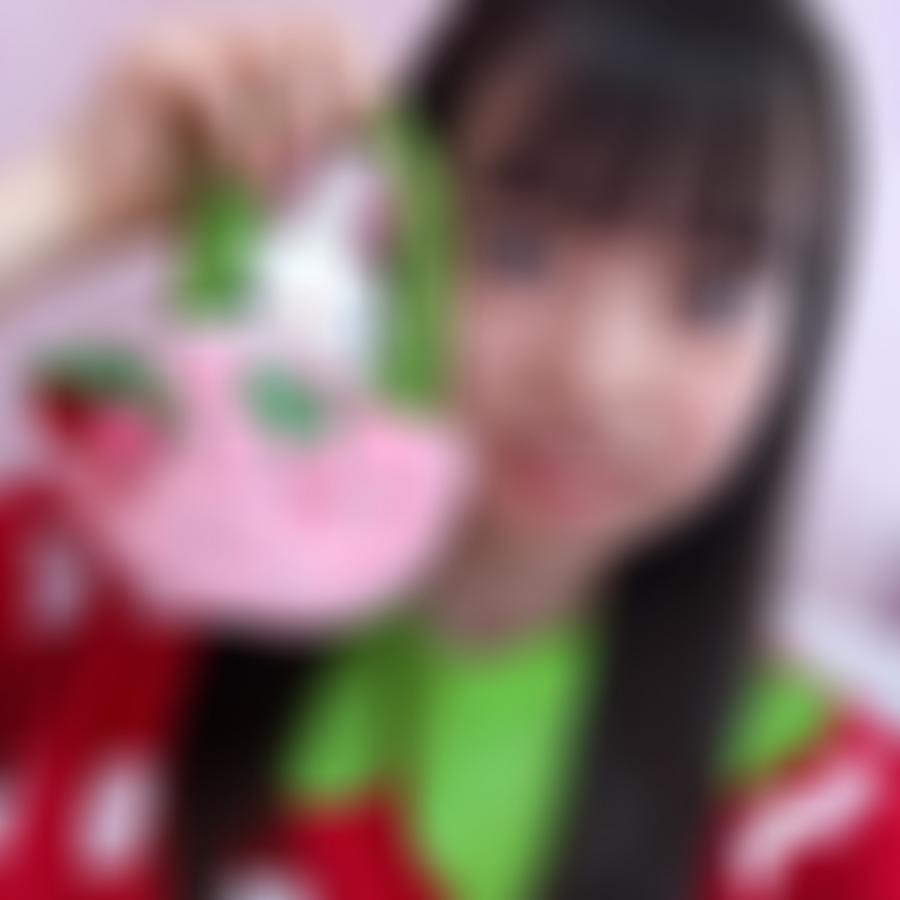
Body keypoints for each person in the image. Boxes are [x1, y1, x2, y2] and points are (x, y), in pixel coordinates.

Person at [1, 1, 898, 899]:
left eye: (711, 296)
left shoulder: (835, 818)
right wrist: (65, 198)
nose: (597, 375)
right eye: (518, 249)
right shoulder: (101, 576)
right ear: (391, 235)